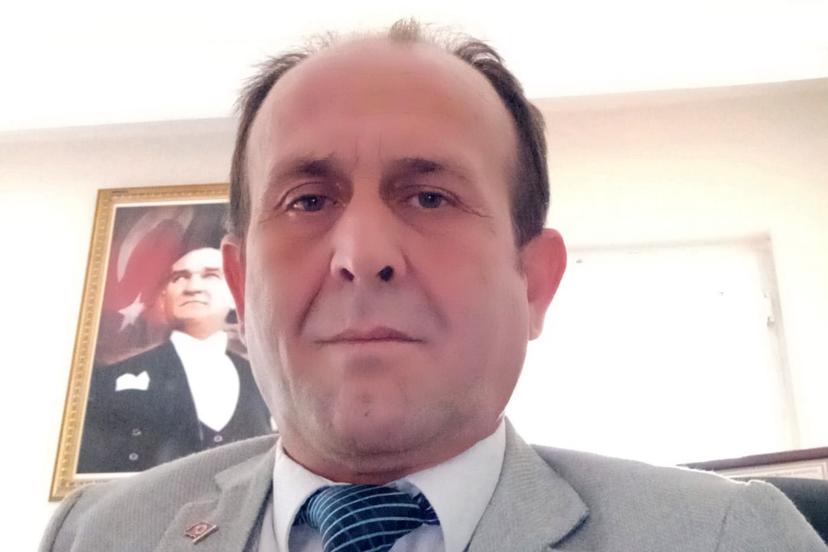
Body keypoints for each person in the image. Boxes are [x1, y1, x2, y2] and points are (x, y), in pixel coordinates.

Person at [42, 19, 825, 552]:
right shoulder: (95, 535)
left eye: (429, 197)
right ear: (242, 285)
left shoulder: (731, 537)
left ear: (534, 283)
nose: (362, 254)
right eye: (308, 201)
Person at [77, 246, 272, 473]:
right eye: (179, 278)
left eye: (211, 276)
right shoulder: (111, 379)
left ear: (235, 294)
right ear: (163, 298)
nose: (193, 288)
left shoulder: (263, 381)